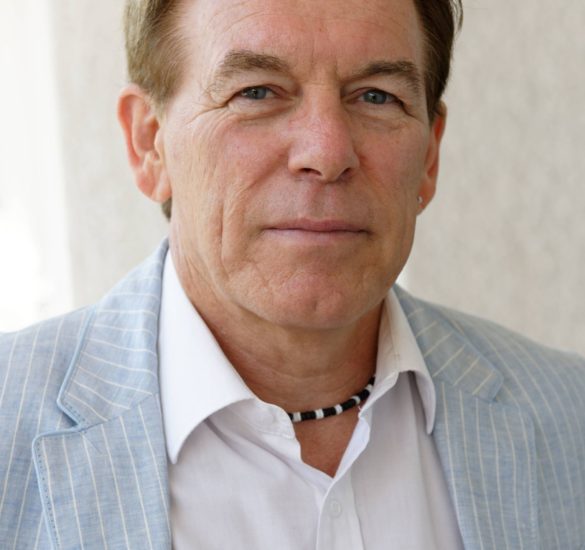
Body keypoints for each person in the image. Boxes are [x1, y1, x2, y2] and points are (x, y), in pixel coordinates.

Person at [1, 0, 584, 548]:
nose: (327, 153)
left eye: (377, 97)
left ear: (429, 157)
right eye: (256, 92)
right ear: (150, 144)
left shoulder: (570, 415)